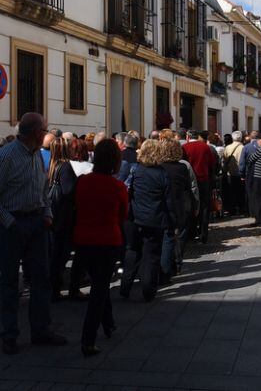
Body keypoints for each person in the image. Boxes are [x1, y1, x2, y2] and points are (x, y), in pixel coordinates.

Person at [0, 112, 66, 355]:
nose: (47, 134)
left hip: (37, 222)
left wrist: (46, 212)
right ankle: (9, 335)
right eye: (44, 130)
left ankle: (41, 330)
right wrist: (9, 221)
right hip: (13, 225)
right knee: (9, 282)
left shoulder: (37, 155)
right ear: (33, 132)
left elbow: (43, 187)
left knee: (41, 278)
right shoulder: (7, 157)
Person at [73, 139, 127, 357]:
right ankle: (88, 339)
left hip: (83, 240)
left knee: (99, 283)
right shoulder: (118, 187)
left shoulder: (83, 182)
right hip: (107, 241)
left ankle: (109, 323)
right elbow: (123, 216)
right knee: (99, 289)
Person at [120, 140, 173, 302]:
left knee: (132, 251)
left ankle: (125, 287)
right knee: (151, 255)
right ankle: (148, 290)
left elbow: (126, 190)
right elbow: (168, 199)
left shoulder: (135, 170)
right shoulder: (162, 174)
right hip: (154, 218)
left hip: (135, 217)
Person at [47, 138, 78, 301]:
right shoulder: (66, 167)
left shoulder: (52, 165)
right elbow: (68, 191)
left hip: (54, 212)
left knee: (55, 252)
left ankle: (53, 284)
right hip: (64, 215)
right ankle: (55, 286)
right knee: (61, 252)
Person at [158, 139, 193, 281]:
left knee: (165, 238)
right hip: (177, 206)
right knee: (173, 237)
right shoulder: (182, 168)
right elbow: (186, 187)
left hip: (162, 206)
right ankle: (172, 266)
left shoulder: (159, 167)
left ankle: (165, 268)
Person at [182, 131, 215, 244]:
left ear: (188, 136)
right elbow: (212, 163)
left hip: (190, 181)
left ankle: (191, 233)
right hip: (203, 180)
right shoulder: (205, 147)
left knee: (191, 206)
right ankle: (203, 233)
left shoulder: (184, 147)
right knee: (204, 207)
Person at [221, 131, 245, 216]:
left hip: (230, 173)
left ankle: (232, 209)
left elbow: (224, 160)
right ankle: (242, 208)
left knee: (232, 192)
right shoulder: (243, 147)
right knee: (241, 192)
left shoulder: (228, 147)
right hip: (241, 173)